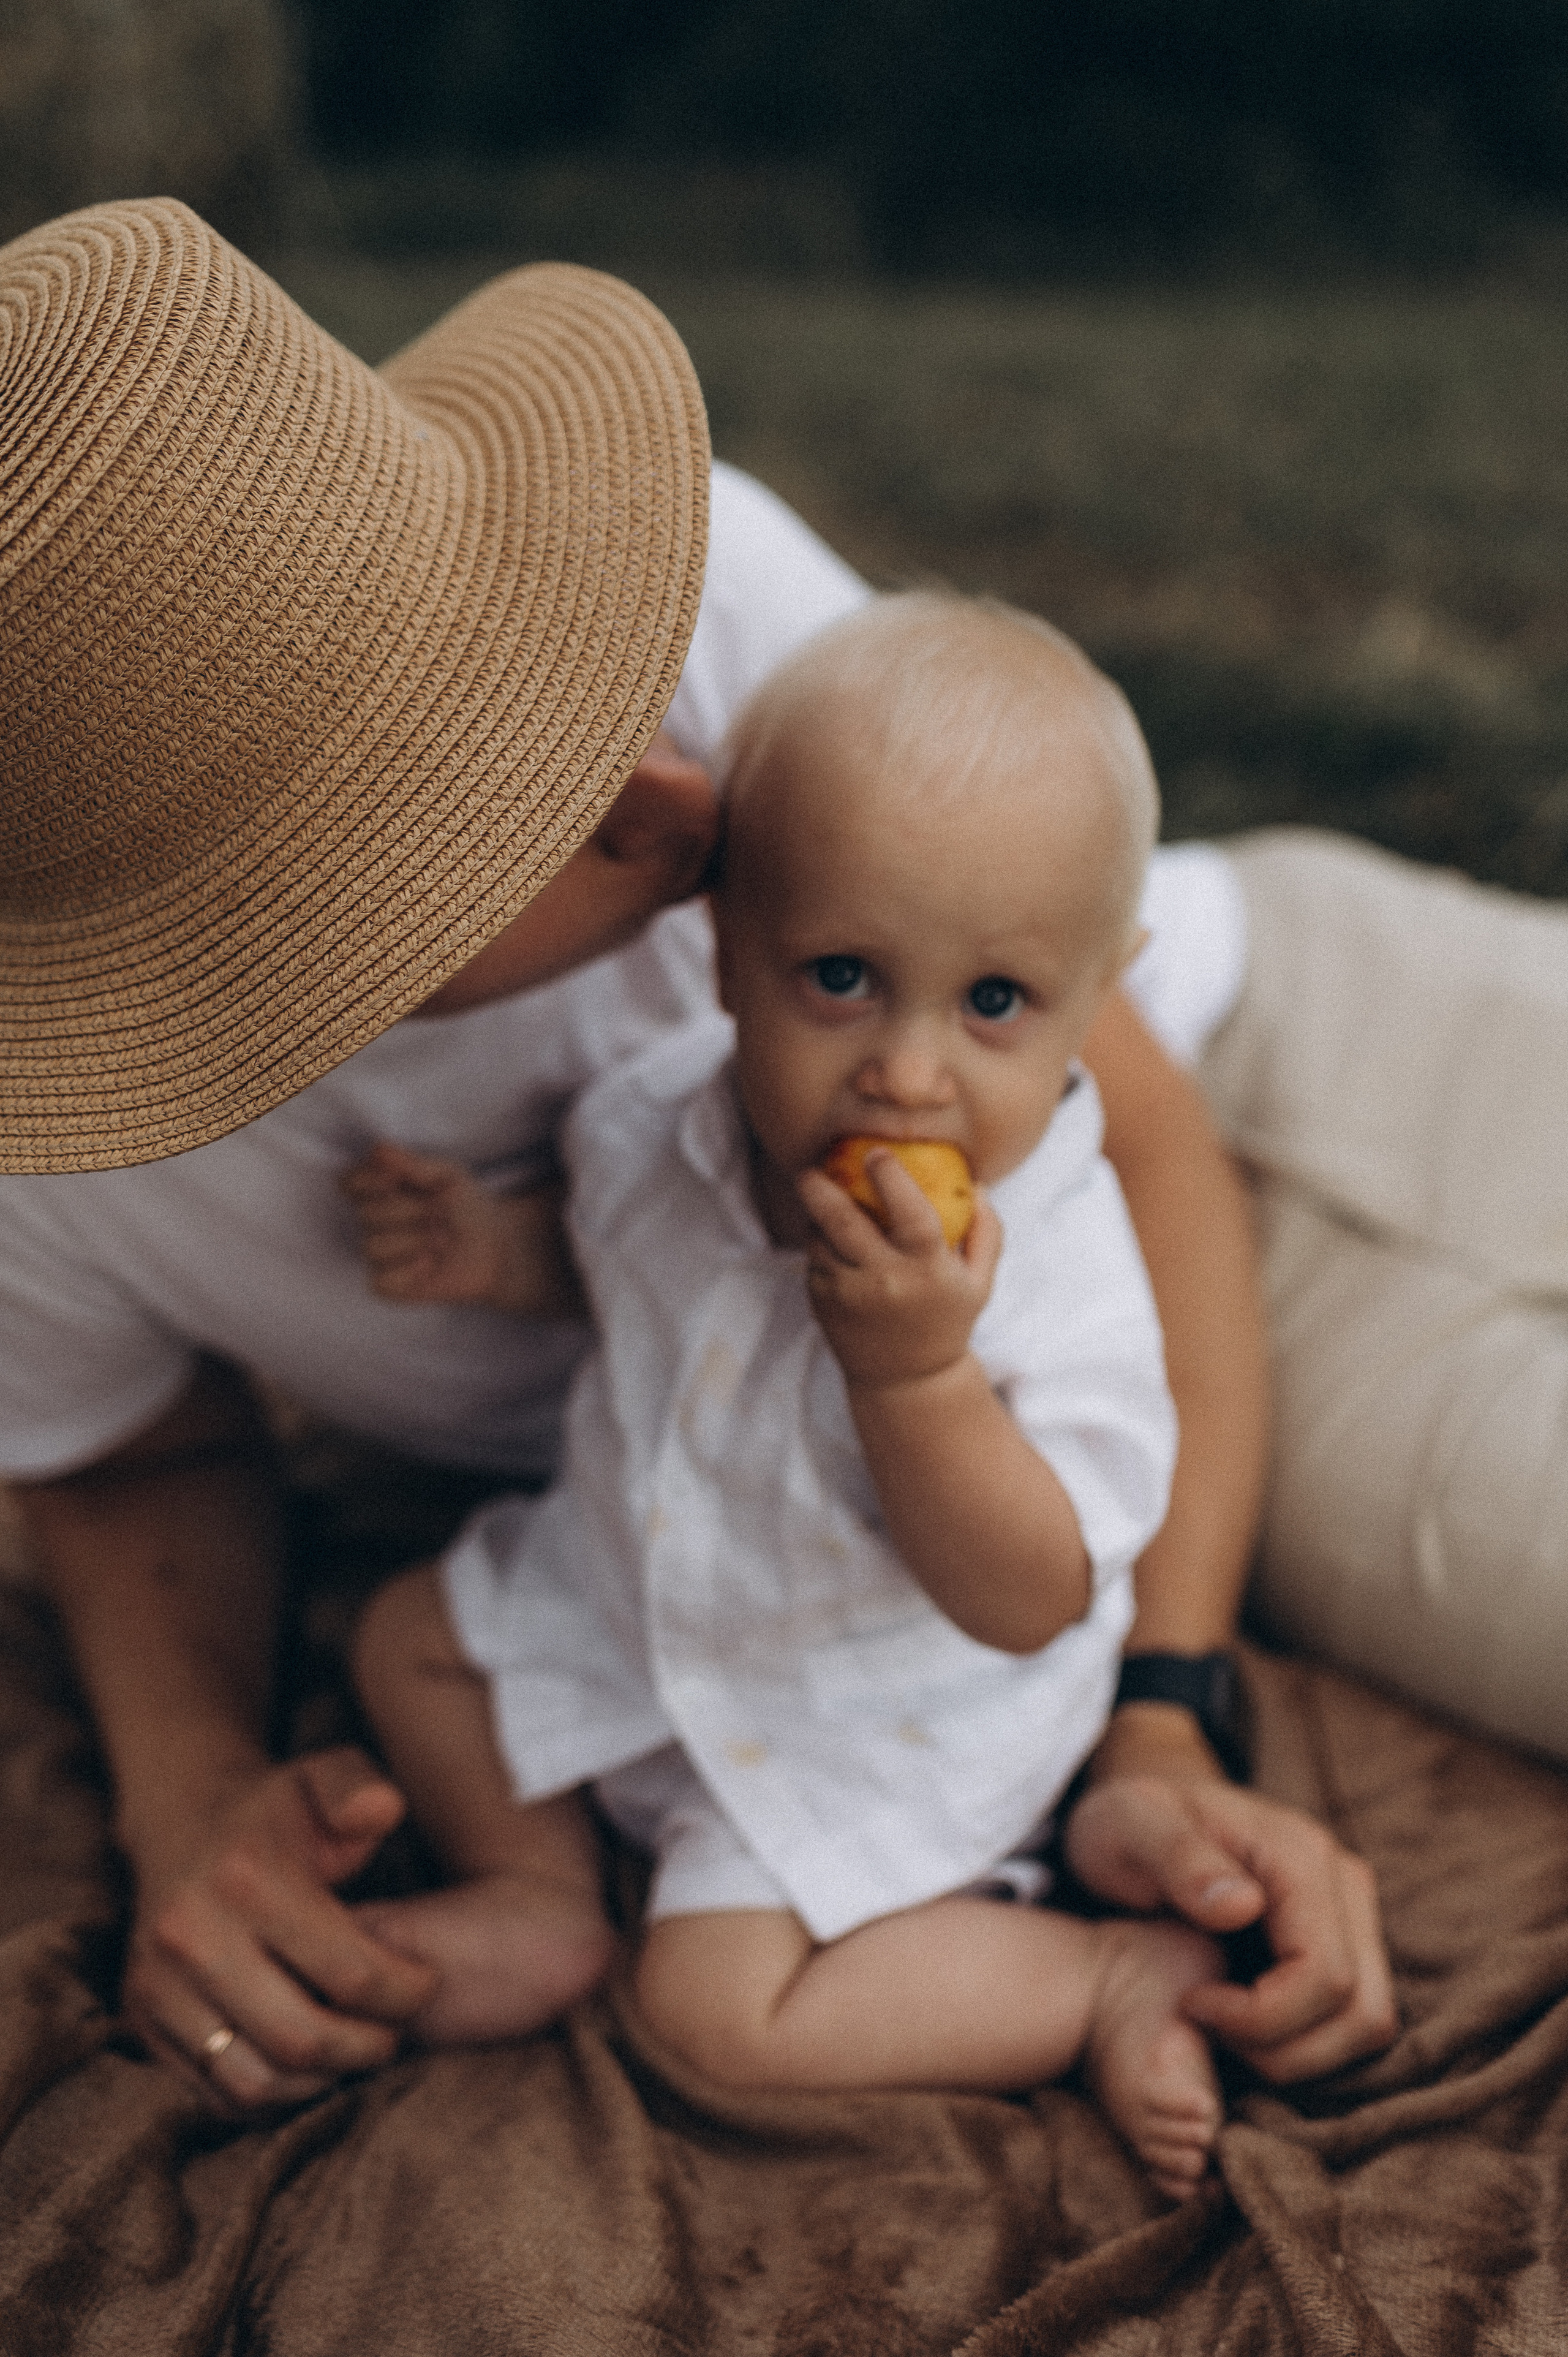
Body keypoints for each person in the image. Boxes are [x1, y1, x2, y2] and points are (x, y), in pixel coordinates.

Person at [0, 198, 1393, 2117]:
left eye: (548, 677)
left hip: (1258, 1096)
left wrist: (1169, 1710)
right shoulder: (96, 1142)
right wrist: (195, 1816)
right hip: (727, 1522)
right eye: (495, 793)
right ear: (276, 955)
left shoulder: (697, 599)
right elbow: (127, 1448)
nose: (682, 791)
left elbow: (1133, 1140)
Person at [349, 593, 1230, 2203]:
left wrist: (922, 1376)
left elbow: (1028, 1594)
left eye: (995, 1005)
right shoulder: (648, 1126)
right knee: (408, 1633)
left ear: (1103, 993)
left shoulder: (1055, 1266)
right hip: (630, 1594)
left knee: (715, 2016)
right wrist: (492, 1253)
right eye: (841, 975)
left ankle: (1100, 1984)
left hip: (866, 1706)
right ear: (724, 948)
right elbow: (617, 1256)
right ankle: (534, 1892)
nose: (909, 1069)